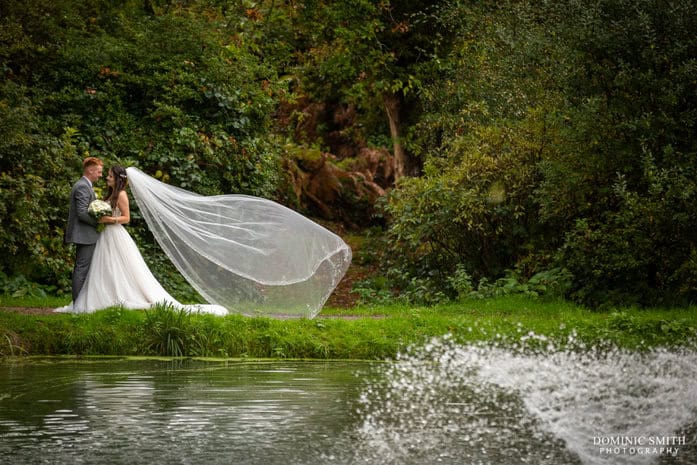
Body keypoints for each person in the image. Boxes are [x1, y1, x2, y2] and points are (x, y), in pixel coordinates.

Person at [56, 166, 227, 315]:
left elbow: (126, 218)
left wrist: (108, 220)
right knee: (105, 267)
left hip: (115, 233)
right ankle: (103, 295)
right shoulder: (111, 194)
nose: (107, 178)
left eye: (109, 175)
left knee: (119, 266)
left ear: (117, 178)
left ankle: (120, 295)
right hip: (105, 235)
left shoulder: (121, 194)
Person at [64, 157, 103, 302]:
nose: (100, 175)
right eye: (99, 172)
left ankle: (81, 302)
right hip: (84, 235)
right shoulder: (82, 186)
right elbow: (81, 213)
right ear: (90, 170)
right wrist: (98, 222)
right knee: (81, 269)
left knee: (82, 268)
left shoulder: (85, 185)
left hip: (86, 234)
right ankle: (78, 304)